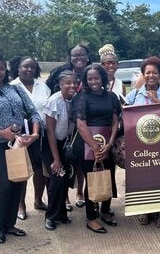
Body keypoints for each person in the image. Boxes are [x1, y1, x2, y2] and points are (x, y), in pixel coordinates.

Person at [0, 54, 42, 244]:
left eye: (1, 68)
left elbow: (34, 112)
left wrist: (35, 134)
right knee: (4, 185)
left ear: (6, 71)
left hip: (20, 143)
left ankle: (10, 225)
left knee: (18, 182)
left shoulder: (16, 89)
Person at [126, 56, 160, 227]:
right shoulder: (134, 94)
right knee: (143, 176)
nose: (151, 76)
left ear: (159, 74)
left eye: (154, 72)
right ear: (143, 74)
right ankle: (144, 210)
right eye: (147, 72)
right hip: (141, 145)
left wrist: (157, 101)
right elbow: (125, 115)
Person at [71, 64, 121, 234]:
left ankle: (105, 211)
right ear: (85, 80)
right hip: (86, 143)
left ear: (102, 78)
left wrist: (110, 144)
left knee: (108, 175)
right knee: (92, 179)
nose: (93, 81)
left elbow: (115, 121)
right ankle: (91, 218)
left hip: (107, 142)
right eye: (89, 78)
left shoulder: (111, 96)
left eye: (96, 78)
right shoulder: (81, 98)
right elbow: (80, 124)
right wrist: (95, 146)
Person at [46, 45, 91, 210]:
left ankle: (80, 193)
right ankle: (63, 200)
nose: (79, 57)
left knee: (80, 163)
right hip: (60, 131)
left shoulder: (90, 73)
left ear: (87, 56)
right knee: (62, 167)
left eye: (82, 54)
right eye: (75, 55)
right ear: (69, 57)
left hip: (81, 128)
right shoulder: (59, 74)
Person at [9, 56, 51, 220]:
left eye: (32, 67)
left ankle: (38, 201)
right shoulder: (11, 87)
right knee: (21, 170)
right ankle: (21, 205)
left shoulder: (43, 86)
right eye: (25, 67)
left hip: (40, 134)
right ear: (18, 68)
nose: (29, 70)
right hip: (20, 135)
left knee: (40, 170)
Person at [42, 70, 77, 230]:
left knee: (65, 180)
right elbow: (50, 131)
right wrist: (56, 159)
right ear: (61, 84)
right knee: (57, 179)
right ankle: (50, 216)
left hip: (65, 144)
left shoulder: (75, 100)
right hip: (51, 145)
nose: (72, 85)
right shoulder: (54, 101)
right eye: (68, 83)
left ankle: (62, 214)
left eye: (74, 82)